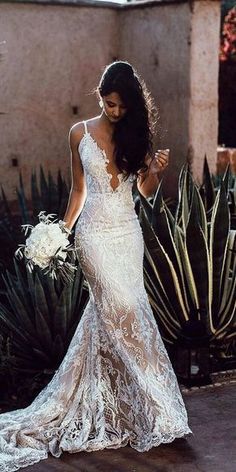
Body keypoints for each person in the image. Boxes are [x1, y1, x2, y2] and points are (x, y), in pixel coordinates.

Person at [0, 61, 192, 472]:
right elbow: (78, 190)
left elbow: (141, 192)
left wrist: (155, 172)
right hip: (94, 238)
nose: (114, 111)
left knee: (123, 314)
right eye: (108, 103)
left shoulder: (135, 134)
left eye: (121, 106)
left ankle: (134, 408)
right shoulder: (79, 133)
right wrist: (56, 235)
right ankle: (154, 403)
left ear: (132, 105)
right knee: (121, 311)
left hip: (127, 235)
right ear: (100, 95)